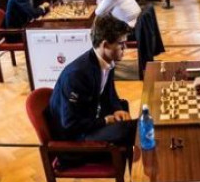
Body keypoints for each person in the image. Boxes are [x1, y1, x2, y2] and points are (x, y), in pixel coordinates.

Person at [48, 15, 136, 151]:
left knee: (125, 111)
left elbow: (109, 93)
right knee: (134, 128)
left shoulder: (107, 61)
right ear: (105, 45)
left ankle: (128, 158)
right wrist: (104, 121)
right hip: (75, 138)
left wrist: (116, 109)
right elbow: (70, 124)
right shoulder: (77, 75)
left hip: (91, 117)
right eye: (121, 43)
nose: (126, 47)